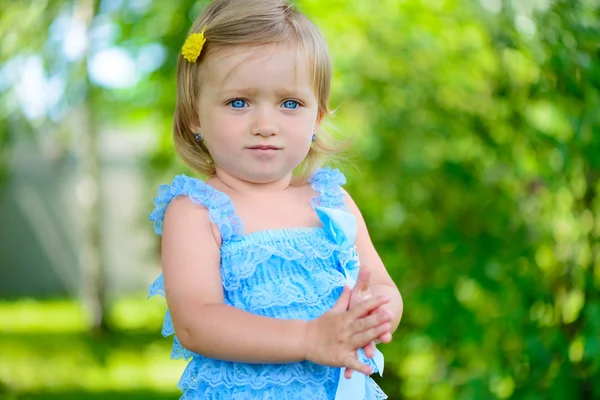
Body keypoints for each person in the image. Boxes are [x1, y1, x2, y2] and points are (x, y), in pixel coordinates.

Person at [147, 0, 403, 398]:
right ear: (195, 115)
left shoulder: (331, 202)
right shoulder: (197, 211)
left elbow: (382, 285)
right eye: (239, 102)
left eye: (290, 104)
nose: (265, 126)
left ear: (317, 117)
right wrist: (307, 338)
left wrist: (377, 310)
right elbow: (197, 322)